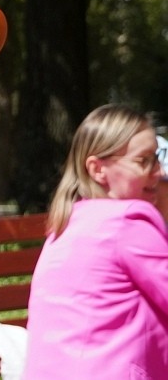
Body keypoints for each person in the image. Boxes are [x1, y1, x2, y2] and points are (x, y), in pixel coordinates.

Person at [24, 104, 168, 378]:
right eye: (144, 161)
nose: (157, 172)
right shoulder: (128, 221)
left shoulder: (66, 225)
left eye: (157, 158)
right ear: (97, 169)